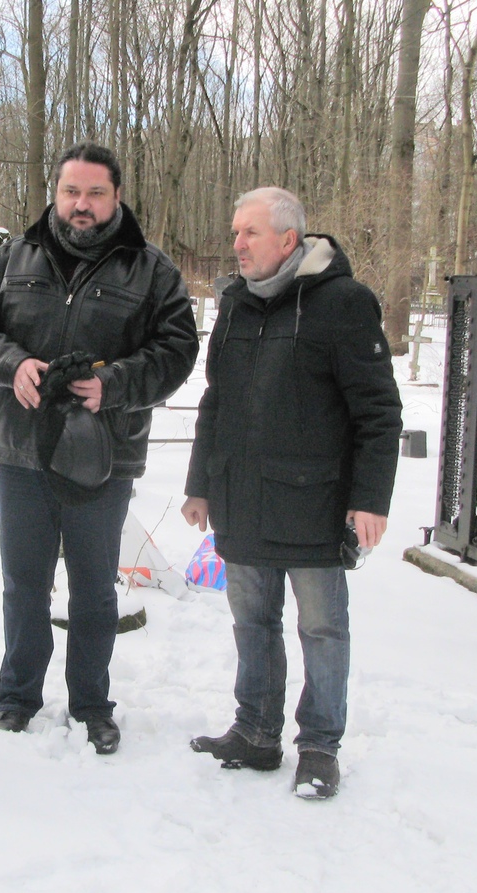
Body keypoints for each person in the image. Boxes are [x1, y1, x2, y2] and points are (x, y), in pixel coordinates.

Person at [0, 142, 199, 755]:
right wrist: (13, 366)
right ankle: (18, 698)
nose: (81, 205)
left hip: (103, 453)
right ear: (54, 193)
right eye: (71, 192)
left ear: (117, 196)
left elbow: (176, 352)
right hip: (20, 448)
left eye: (95, 193)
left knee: (94, 584)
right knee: (24, 581)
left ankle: (92, 703)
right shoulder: (12, 259)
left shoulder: (152, 269)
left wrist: (113, 384)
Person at [181, 187, 402, 798]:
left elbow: (379, 411)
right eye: (234, 233)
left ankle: (319, 747)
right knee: (252, 624)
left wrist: (371, 499)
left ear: (287, 240)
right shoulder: (234, 304)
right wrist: (201, 484)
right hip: (241, 498)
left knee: (322, 631)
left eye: (249, 233)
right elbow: (215, 402)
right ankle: (255, 732)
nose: (237, 245)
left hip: (315, 502)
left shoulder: (345, 303)